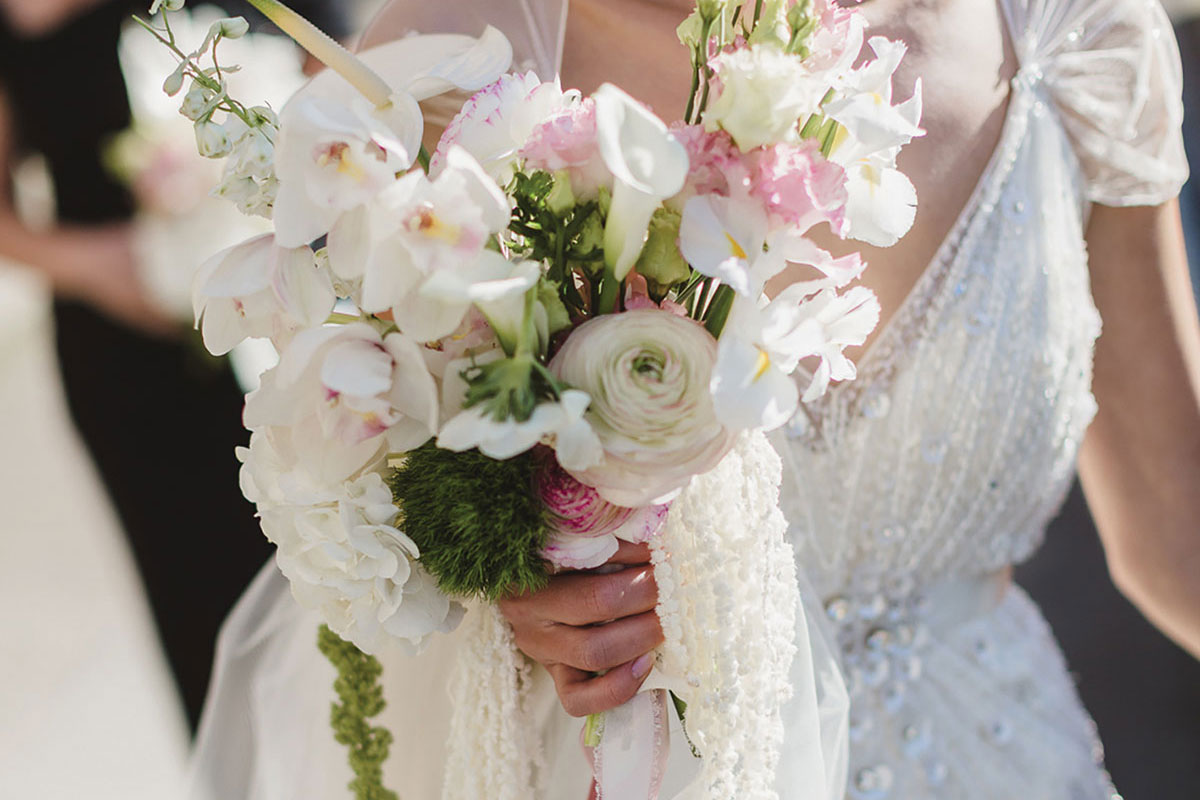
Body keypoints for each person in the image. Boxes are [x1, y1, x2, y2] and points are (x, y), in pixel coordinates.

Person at [189, 0, 1200, 796]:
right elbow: (382, 509)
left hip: (995, 755)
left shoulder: (1078, 34)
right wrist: (500, 595)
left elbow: (1176, 532)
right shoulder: (451, 59)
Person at [0, 0, 349, 729]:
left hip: (312, 330)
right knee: (202, 619)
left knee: (348, 597)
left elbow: (351, 83)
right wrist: (95, 265)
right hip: (124, 367)